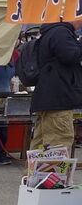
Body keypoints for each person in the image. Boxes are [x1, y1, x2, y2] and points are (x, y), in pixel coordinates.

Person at [28, 14, 82, 152]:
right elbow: (70, 56)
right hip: (59, 98)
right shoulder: (61, 32)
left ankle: (35, 167)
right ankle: (52, 167)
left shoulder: (52, 32)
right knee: (58, 145)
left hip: (49, 97)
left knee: (40, 147)